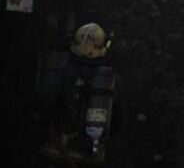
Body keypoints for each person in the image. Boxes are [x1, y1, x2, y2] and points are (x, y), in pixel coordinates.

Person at [35, 23, 121, 166]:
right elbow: (120, 121)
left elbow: (40, 102)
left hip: (59, 152)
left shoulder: (63, 73)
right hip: (94, 156)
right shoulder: (113, 79)